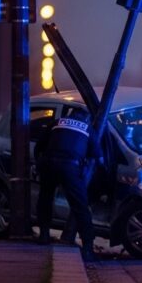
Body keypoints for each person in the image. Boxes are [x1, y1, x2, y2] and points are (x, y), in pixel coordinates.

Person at [35, 108, 100, 262]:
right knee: (81, 206)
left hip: (49, 164)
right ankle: (88, 249)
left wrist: (39, 165)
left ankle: (44, 235)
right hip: (70, 167)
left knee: (45, 199)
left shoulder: (56, 123)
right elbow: (97, 156)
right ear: (86, 118)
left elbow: (39, 147)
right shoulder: (87, 128)